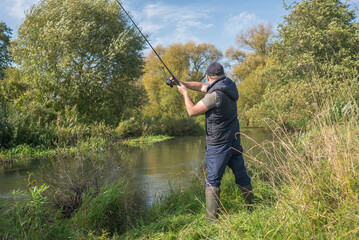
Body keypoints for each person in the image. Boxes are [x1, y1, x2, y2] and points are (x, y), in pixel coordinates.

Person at [174, 62, 254, 221]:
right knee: (242, 176)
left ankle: (211, 221)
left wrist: (184, 93)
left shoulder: (214, 95)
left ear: (208, 76)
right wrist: (181, 82)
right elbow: (201, 86)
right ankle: (252, 209)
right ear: (222, 74)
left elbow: (192, 111)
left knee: (212, 181)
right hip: (234, 140)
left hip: (218, 144)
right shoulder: (229, 86)